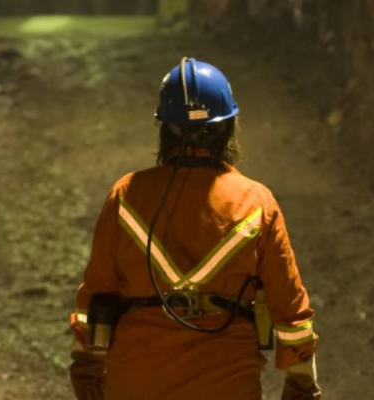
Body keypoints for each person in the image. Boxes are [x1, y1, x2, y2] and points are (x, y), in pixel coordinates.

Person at [69, 57, 321, 400]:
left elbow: (98, 298)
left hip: (136, 382)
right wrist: (302, 384)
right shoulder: (256, 202)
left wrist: (87, 370)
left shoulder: (127, 195)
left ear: (165, 128)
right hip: (227, 385)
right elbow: (290, 311)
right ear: (228, 127)